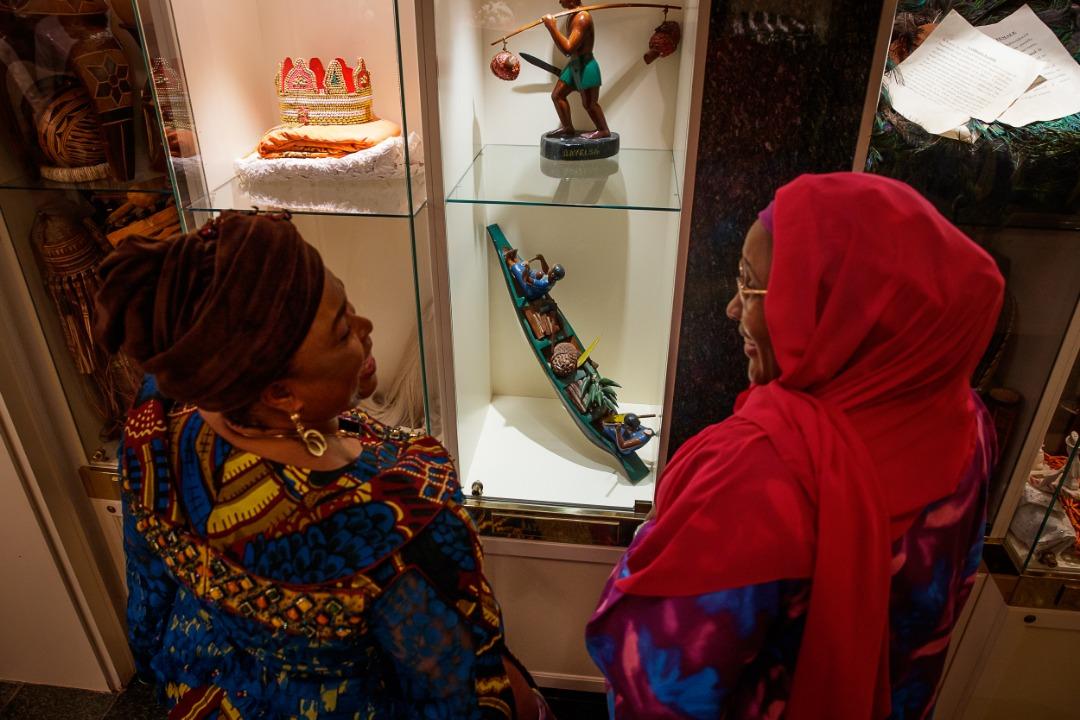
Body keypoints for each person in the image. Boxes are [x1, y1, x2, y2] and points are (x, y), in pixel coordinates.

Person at [95, 211, 547, 719]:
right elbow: (460, 695)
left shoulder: (158, 415)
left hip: (202, 673)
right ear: (281, 393)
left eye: (346, 303)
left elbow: (148, 582)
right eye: (341, 333)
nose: (366, 328)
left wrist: (160, 669)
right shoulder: (395, 519)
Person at [585, 173, 1004, 719]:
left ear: (842, 308)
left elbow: (655, 686)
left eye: (751, 285)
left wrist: (655, 536)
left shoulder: (756, 477)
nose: (732, 308)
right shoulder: (966, 421)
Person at [542, 0, 610, 139]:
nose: (559, 1)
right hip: (574, 65)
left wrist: (552, 27)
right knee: (557, 96)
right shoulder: (573, 14)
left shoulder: (582, 17)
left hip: (586, 66)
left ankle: (603, 130)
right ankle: (567, 128)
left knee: (589, 104)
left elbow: (568, 49)